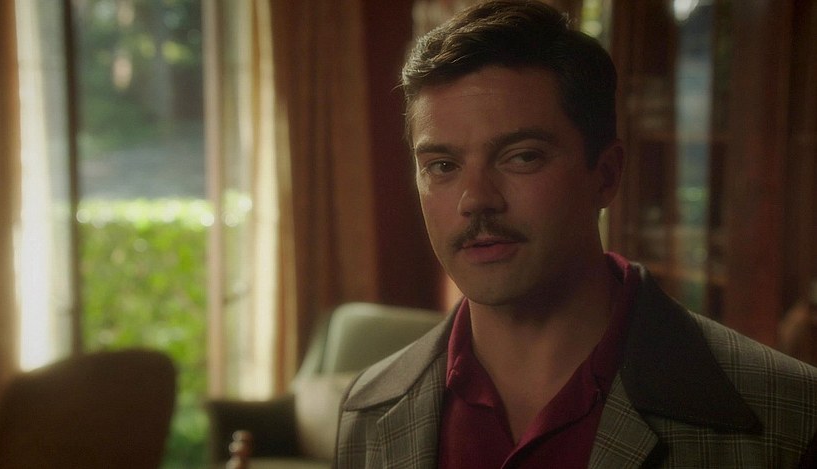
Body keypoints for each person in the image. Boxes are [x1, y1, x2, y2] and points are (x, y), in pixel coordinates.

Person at [334, 1, 817, 467]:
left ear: (606, 175)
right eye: (442, 165)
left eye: (522, 156)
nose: (476, 198)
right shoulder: (370, 412)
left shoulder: (789, 418)